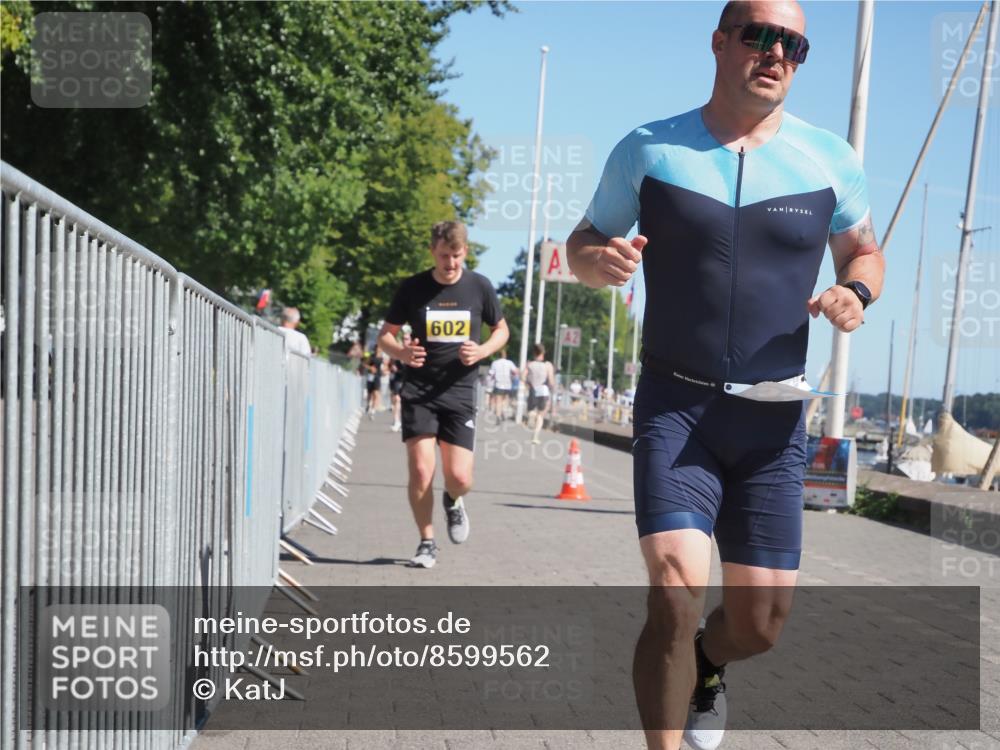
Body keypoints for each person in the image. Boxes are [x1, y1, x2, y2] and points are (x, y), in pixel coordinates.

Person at [566, 3, 885, 749]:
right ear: (719, 43)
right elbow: (584, 242)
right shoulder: (649, 148)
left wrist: (856, 292)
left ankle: (710, 663)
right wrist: (596, 261)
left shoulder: (830, 159)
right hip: (676, 408)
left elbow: (864, 253)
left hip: (773, 422)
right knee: (675, 596)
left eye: (793, 45)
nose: (775, 54)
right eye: (759, 36)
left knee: (760, 625)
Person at [377, 221, 509, 569]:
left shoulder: (479, 286)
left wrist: (482, 351)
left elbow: (501, 330)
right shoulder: (413, 288)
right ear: (432, 252)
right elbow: (385, 336)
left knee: (460, 477)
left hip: (459, 392)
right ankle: (427, 542)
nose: (450, 263)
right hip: (419, 391)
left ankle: (453, 500)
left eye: (456, 256)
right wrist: (402, 353)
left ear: (465, 252)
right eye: (443, 256)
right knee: (422, 471)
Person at [524, 343, 555, 445]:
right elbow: (551, 381)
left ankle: (533, 416)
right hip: (543, 389)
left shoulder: (530, 364)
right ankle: (535, 437)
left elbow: (522, 376)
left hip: (533, 388)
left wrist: (527, 383)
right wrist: (552, 388)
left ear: (534, 353)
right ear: (543, 353)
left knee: (530, 410)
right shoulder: (548, 365)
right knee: (541, 414)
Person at [388, 328, 411, 433]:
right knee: (397, 399)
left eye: (407, 339)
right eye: (403, 339)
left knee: (406, 402)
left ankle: (405, 422)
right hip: (398, 378)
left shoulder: (414, 351)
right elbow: (391, 362)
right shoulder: (398, 351)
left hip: (409, 379)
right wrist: (392, 366)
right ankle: (396, 421)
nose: (405, 341)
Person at [488, 349, 518, 422]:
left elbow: (491, 373)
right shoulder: (509, 362)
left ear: (498, 356)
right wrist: (512, 375)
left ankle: (498, 416)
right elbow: (515, 371)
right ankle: (503, 412)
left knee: (498, 401)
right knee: (505, 399)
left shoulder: (495, 363)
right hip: (507, 384)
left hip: (498, 384)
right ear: (505, 355)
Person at [364, 355, 383, 419]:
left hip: (377, 377)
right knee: (369, 393)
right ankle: (368, 404)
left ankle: (373, 411)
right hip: (371, 376)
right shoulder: (372, 357)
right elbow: (365, 364)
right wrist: (370, 368)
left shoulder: (382, 358)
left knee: (376, 394)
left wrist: (385, 370)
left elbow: (386, 366)